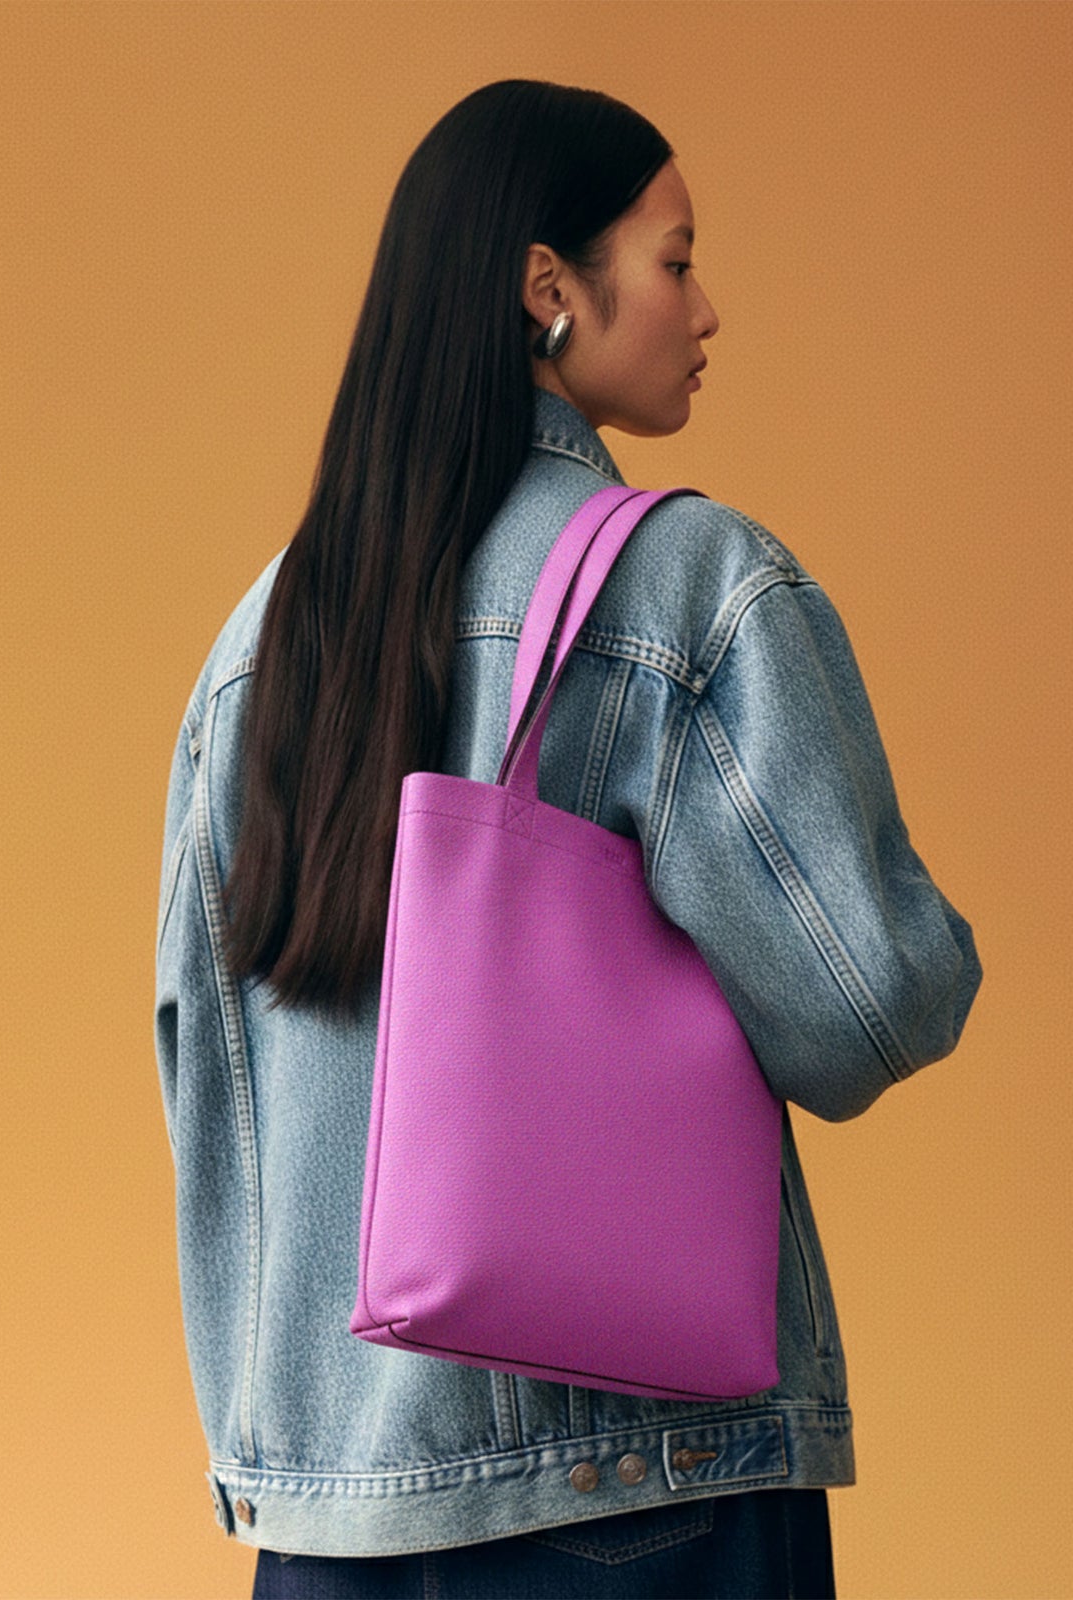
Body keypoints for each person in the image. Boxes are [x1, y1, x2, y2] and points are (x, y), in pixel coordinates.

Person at [153, 79, 982, 1599]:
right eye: (674, 260)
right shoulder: (683, 588)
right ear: (551, 288)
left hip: (332, 1515)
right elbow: (869, 1008)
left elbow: (204, 1066)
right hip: (634, 1490)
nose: (706, 306)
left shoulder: (257, 650)